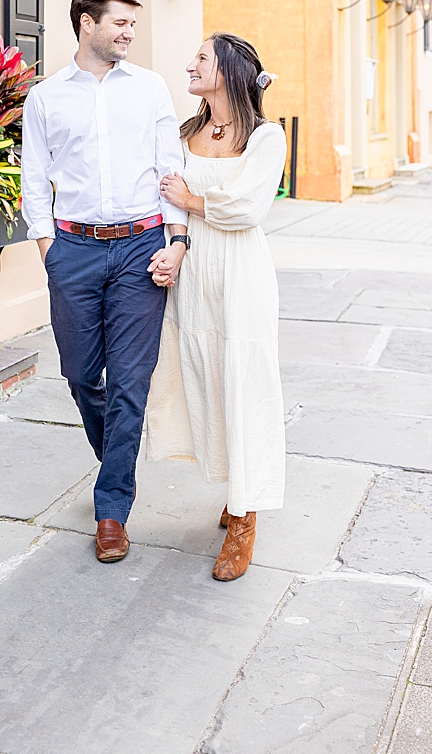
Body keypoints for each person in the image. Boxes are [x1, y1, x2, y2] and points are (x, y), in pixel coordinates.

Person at [21, 0, 189, 564]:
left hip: (141, 248)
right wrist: (48, 248)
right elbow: (33, 177)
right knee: (80, 373)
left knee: (130, 382)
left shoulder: (150, 89)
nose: (128, 33)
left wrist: (177, 241)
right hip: (73, 250)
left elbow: (171, 166)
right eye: (119, 23)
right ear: (86, 24)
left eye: (132, 25)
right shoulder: (45, 98)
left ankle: (112, 508)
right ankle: (117, 453)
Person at [146, 33, 287, 582]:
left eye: (201, 58)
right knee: (205, 379)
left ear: (227, 71)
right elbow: (163, 195)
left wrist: (193, 201)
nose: (191, 65)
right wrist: (178, 229)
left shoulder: (265, 136)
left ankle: (247, 517)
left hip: (241, 274)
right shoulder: (187, 132)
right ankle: (234, 487)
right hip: (193, 272)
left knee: (244, 384)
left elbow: (250, 208)